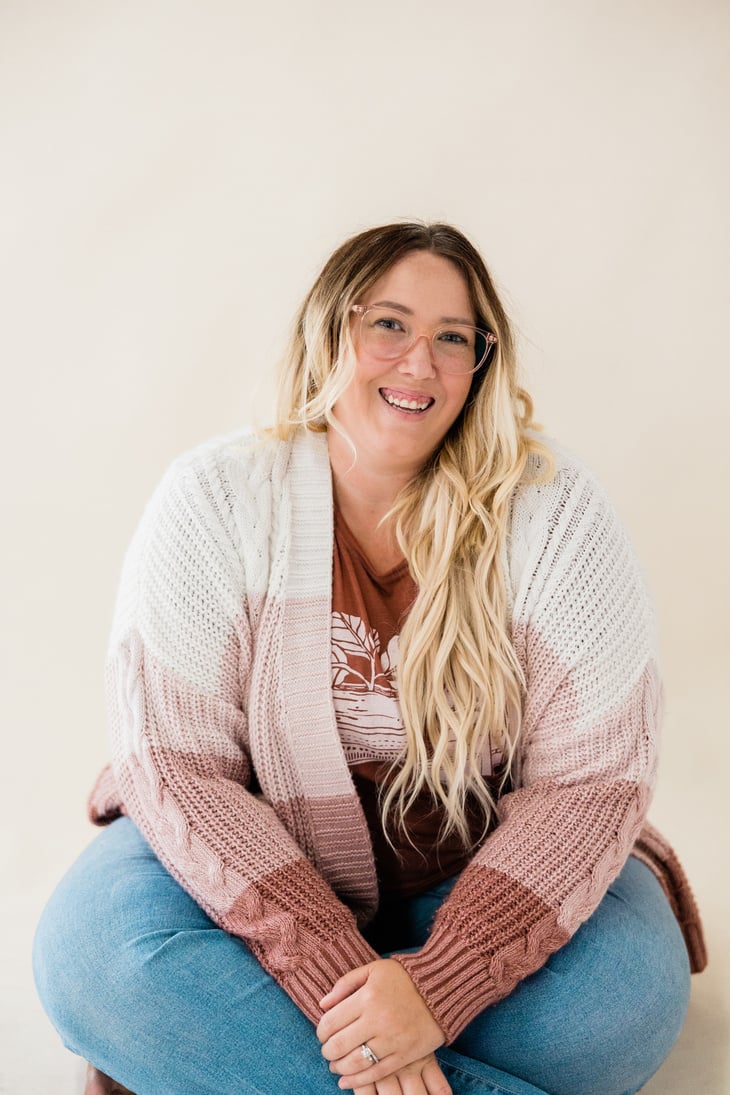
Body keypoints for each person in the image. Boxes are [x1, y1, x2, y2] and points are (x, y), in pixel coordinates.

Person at [33, 221, 706, 1095]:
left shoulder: (556, 514)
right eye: (388, 324)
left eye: (453, 338)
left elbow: (593, 783)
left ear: (480, 365)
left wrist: (437, 984)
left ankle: (210, 1059)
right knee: (95, 960)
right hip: (249, 867)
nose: (419, 362)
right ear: (329, 330)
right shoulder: (215, 498)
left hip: (481, 872)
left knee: (615, 1003)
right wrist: (328, 971)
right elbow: (177, 765)